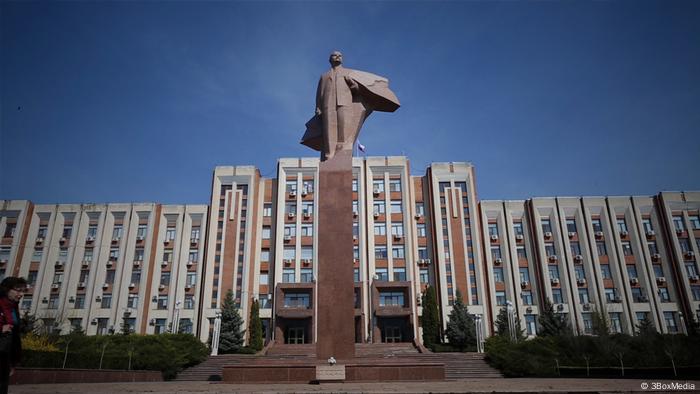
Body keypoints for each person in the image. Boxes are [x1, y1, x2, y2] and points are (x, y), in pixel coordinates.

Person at [300, 51, 400, 160]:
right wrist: (318, 107)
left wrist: (353, 85)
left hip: (345, 102)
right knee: (329, 129)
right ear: (330, 60)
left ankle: (342, 153)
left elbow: (357, 90)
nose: (337, 56)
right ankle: (329, 154)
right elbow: (320, 92)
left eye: (340, 55)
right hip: (328, 104)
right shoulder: (324, 76)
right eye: (334, 55)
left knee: (344, 128)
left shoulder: (348, 73)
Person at [0, 277, 27, 394]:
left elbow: (15, 335)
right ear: (7, 289)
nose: (21, 294)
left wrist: (13, 361)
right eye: (18, 290)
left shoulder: (13, 307)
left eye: (23, 291)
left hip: (4, 353)